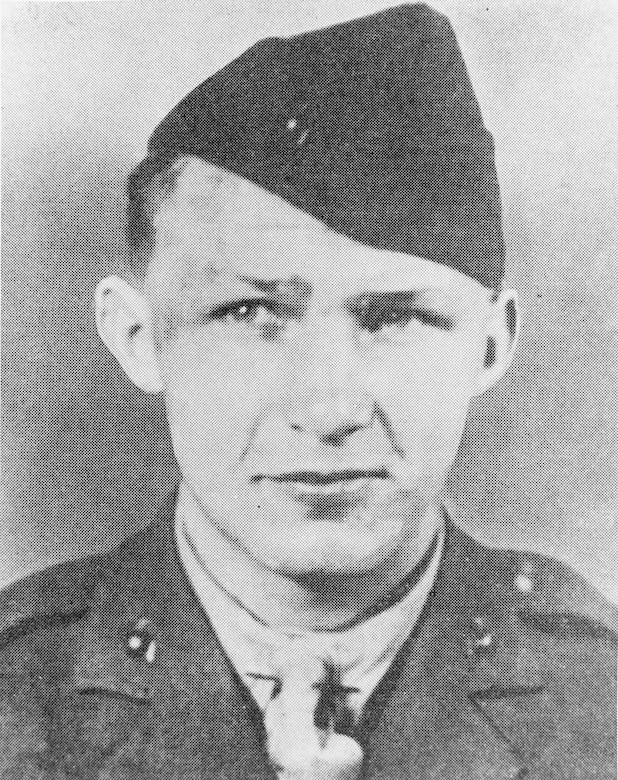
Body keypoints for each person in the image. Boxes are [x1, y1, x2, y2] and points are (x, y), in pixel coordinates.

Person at [1, 4, 616, 779]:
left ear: (490, 346)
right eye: (250, 313)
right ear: (137, 337)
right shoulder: (16, 695)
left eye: (395, 317)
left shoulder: (601, 697)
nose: (329, 412)